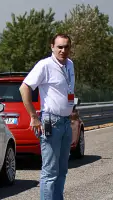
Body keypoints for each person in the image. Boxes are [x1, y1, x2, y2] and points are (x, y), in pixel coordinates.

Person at [19, 33, 75, 200]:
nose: (63, 50)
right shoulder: (45, 65)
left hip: (66, 122)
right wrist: (33, 117)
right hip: (51, 121)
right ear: (52, 47)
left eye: (66, 47)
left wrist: (72, 108)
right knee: (50, 171)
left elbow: (67, 90)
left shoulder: (70, 64)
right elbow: (24, 88)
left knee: (62, 170)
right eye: (59, 47)